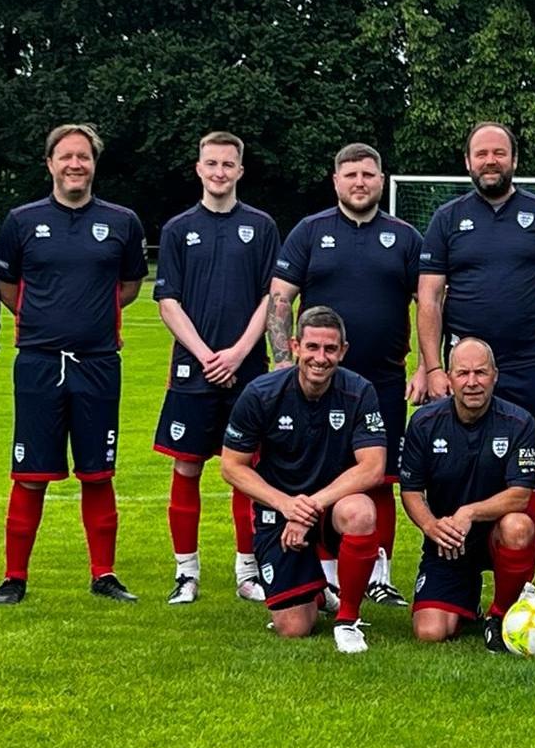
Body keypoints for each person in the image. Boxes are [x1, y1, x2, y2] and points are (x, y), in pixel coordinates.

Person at [417, 122, 535, 594]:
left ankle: (520, 578)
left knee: (526, 466)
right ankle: (452, 560)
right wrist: (432, 368)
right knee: (452, 460)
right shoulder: (446, 219)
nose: (491, 161)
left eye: (499, 153)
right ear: (468, 162)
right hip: (463, 368)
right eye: (481, 153)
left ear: (514, 160)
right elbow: (429, 298)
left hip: (526, 364)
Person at [0, 123, 148, 605]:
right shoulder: (22, 220)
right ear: (50, 164)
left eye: (83, 157)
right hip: (38, 363)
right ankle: (15, 577)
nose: (75, 165)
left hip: (98, 363)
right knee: (30, 473)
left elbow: (128, 287)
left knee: (98, 472)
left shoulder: (122, 222)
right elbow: (9, 288)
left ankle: (104, 574)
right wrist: (44, 318)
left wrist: (87, 319)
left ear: (94, 164)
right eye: (66, 157)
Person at [269, 143, 423, 607]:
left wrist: (427, 366)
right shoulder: (310, 232)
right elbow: (280, 297)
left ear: (381, 180)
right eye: (351, 174)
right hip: (318, 384)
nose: (360, 182)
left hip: (384, 382)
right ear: (335, 181)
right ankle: (328, 575)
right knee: (319, 474)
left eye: (368, 174)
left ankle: (380, 575)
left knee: (380, 479)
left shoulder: (404, 236)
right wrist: (281, 362)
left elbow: (432, 302)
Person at [153, 132, 278, 605]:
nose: (220, 172)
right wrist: (207, 355)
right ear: (199, 168)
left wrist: (238, 353)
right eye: (212, 164)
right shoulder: (178, 228)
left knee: (245, 468)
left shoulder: (262, 226)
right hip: (194, 370)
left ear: (240, 171)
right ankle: (187, 572)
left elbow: (272, 297)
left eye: (229, 164)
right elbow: (167, 300)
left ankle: (249, 569)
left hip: (247, 370)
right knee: (187, 467)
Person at [221, 306, 387, 653]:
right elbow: (232, 467)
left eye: (330, 349)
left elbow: (372, 467)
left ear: (343, 351)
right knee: (294, 628)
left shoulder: (359, 392)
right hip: (279, 511)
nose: (320, 358)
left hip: (329, 507)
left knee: (361, 510)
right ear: (295, 346)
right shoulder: (261, 394)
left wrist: (308, 507)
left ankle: (347, 620)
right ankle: (315, 588)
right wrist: (285, 505)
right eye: (312, 347)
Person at [400, 338, 535, 651]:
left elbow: (520, 495)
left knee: (517, 526)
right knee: (431, 632)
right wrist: (431, 527)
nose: (473, 382)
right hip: (448, 543)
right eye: (463, 373)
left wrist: (469, 513)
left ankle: (500, 614)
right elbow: (410, 490)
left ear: (495, 375)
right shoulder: (423, 423)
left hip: (495, 535)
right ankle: (466, 599)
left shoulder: (519, 422)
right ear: (449, 378)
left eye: (481, 372)